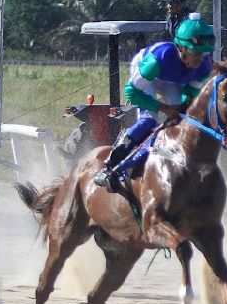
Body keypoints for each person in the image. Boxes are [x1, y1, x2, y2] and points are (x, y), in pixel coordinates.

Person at [92, 14, 215, 192]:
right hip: (147, 73)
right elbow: (132, 92)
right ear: (180, 48)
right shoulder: (159, 58)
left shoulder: (204, 67)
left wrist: (179, 108)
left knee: (178, 118)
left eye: (203, 54)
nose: (199, 60)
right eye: (195, 53)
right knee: (150, 119)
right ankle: (112, 164)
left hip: (172, 80)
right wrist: (162, 107)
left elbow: (189, 95)